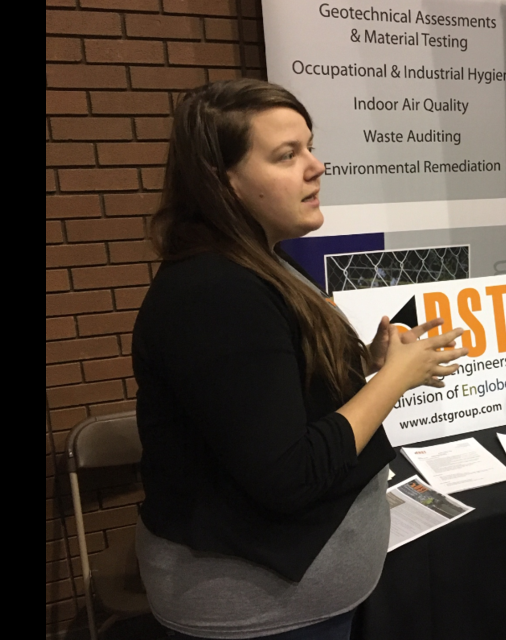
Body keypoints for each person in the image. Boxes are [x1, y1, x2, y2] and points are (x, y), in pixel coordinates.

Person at [132, 79, 469, 640]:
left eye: (309, 147)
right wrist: (391, 381)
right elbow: (288, 473)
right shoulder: (215, 291)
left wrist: (364, 366)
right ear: (223, 182)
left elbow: (266, 398)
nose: (316, 167)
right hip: (257, 612)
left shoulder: (261, 261)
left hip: (297, 599)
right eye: (287, 155)